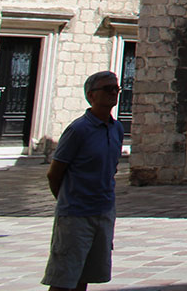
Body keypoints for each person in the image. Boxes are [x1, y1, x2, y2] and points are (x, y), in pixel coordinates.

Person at [43, 71, 124, 291]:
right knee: (64, 278)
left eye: (116, 88)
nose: (113, 93)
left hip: (104, 211)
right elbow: (54, 173)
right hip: (76, 214)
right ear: (91, 95)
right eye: (107, 89)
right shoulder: (78, 130)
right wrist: (68, 200)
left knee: (85, 274)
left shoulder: (117, 129)